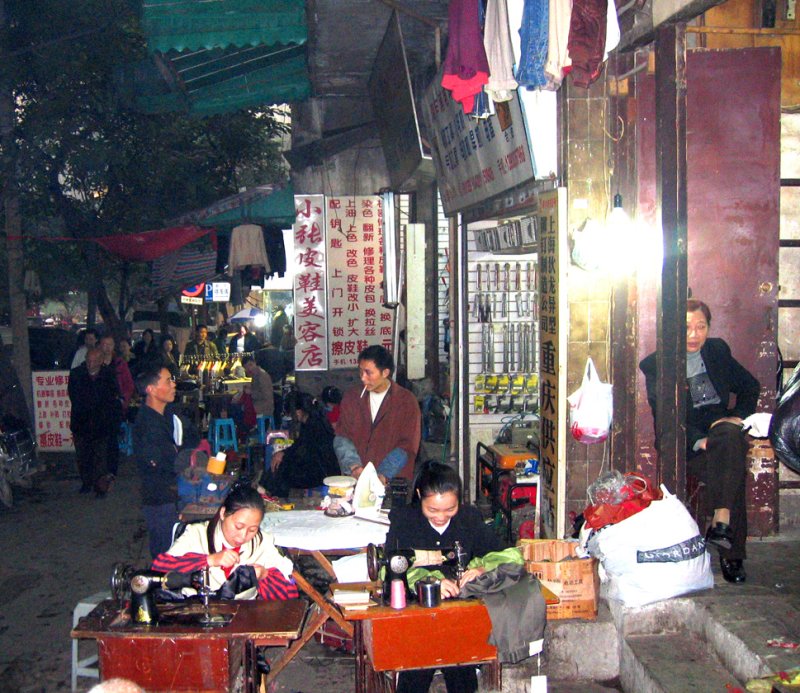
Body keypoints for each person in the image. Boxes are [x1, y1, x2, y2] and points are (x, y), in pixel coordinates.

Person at [639, 298, 760, 584]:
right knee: (731, 468)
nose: (694, 335)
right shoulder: (658, 364)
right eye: (687, 328)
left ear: (708, 328)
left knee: (729, 439)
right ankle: (731, 550)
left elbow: (750, 386)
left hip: (722, 430)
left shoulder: (717, 350)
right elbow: (665, 416)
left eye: (701, 327)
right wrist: (697, 441)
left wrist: (738, 417)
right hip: (684, 437)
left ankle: (721, 522)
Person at [385, 461, 501, 693]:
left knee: (461, 665)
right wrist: (431, 581)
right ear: (419, 496)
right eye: (433, 510)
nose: (441, 517)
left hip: (459, 614)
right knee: (419, 665)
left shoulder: (469, 519)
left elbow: (506, 555)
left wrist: (481, 569)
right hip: (416, 613)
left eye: (450, 509)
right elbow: (391, 567)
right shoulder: (404, 520)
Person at [152, 482, 298, 601]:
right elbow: (159, 568)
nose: (242, 536)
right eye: (238, 526)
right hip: (194, 612)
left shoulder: (262, 543)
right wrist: (209, 560)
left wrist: (265, 576)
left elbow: (290, 595)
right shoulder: (197, 534)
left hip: (243, 617)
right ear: (223, 513)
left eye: (252, 530)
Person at [132, 366, 198, 559]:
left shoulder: (170, 413)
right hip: (161, 499)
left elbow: (192, 438)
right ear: (151, 389)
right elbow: (164, 463)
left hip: (178, 494)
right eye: (168, 381)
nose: (173, 384)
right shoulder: (146, 424)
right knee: (165, 558)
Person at [334, 344, 421, 484]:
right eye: (360, 371)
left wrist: (383, 475)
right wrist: (354, 467)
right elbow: (342, 437)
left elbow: (407, 446)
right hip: (356, 479)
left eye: (369, 373)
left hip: (393, 481)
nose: (363, 378)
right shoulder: (352, 397)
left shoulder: (406, 401)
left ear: (385, 373)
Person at [262, 392, 340, 497]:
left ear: (298, 412)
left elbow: (307, 452)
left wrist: (284, 455)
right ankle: (266, 490)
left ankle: (269, 494)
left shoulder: (315, 426)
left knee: (281, 470)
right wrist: (283, 453)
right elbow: (300, 446)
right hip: (316, 467)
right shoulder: (313, 421)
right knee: (280, 465)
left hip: (320, 472)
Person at [68, 347, 121, 496]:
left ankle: (100, 487)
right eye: (88, 360)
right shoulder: (77, 374)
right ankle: (86, 483)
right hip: (81, 422)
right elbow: (74, 396)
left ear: (101, 361)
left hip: (101, 423)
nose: (90, 364)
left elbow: (113, 397)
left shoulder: (108, 375)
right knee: (83, 456)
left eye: (94, 361)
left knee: (101, 458)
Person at [99, 334, 135, 478]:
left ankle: (111, 470)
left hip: (114, 407)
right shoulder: (96, 361)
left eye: (110, 345)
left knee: (112, 438)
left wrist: (122, 401)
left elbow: (129, 385)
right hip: (98, 407)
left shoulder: (120, 363)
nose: (106, 348)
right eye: (104, 344)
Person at [242, 355, 274, 419]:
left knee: (241, 410)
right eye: (246, 367)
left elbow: (266, 395)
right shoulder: (255, 375)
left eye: (250, 365)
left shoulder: (262, 375)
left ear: (255, 363)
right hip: (258, 404)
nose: (249, 368)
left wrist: (251, 392)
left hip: (264, 406)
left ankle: (246, 428)